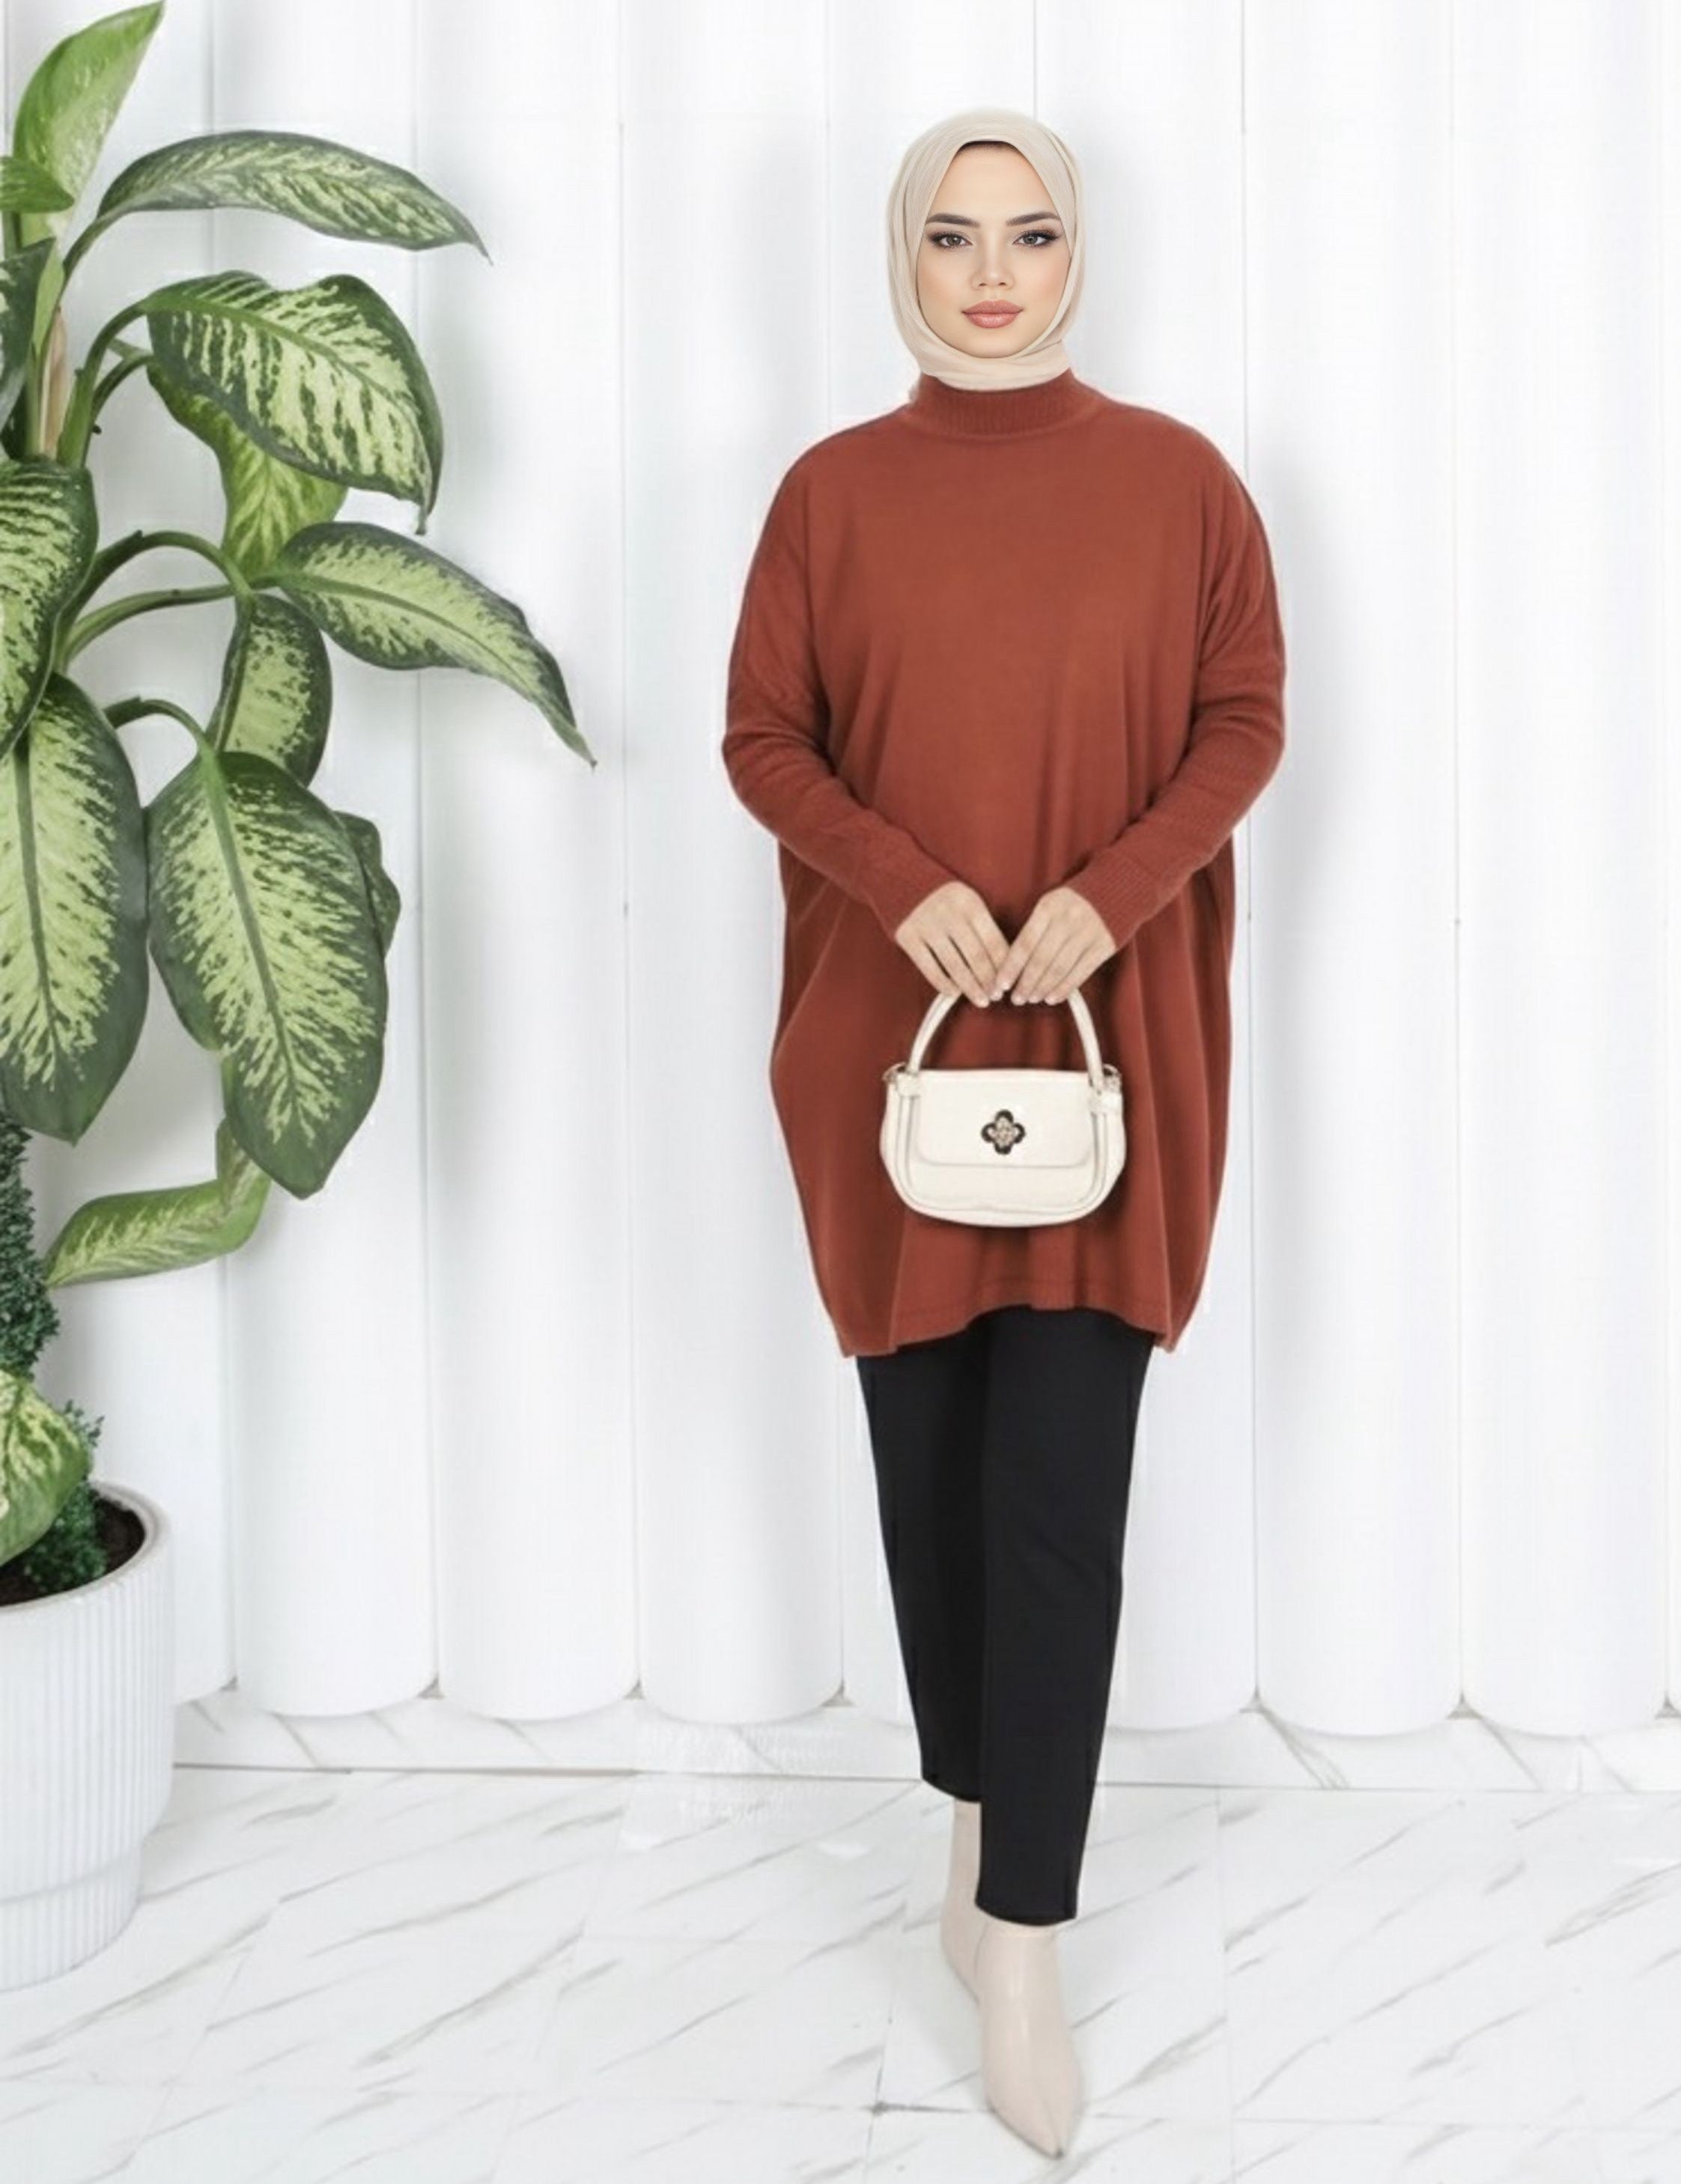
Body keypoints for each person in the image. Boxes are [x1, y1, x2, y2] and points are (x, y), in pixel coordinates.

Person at [721, 107, 1286, 2158]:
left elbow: (1244, 719)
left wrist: (1110, 898)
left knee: (1058, 1497)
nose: (990, 273)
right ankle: (972, 1828)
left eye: (1029, 234)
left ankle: (1024, 1937)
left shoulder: (1182, 484)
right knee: (931, 1485)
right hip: (890, 1057)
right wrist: (903, 885)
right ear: (904, 253)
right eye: (953, 235)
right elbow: (762, 737)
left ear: (1076, 253)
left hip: (1110, 1064)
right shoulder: (830, 495)